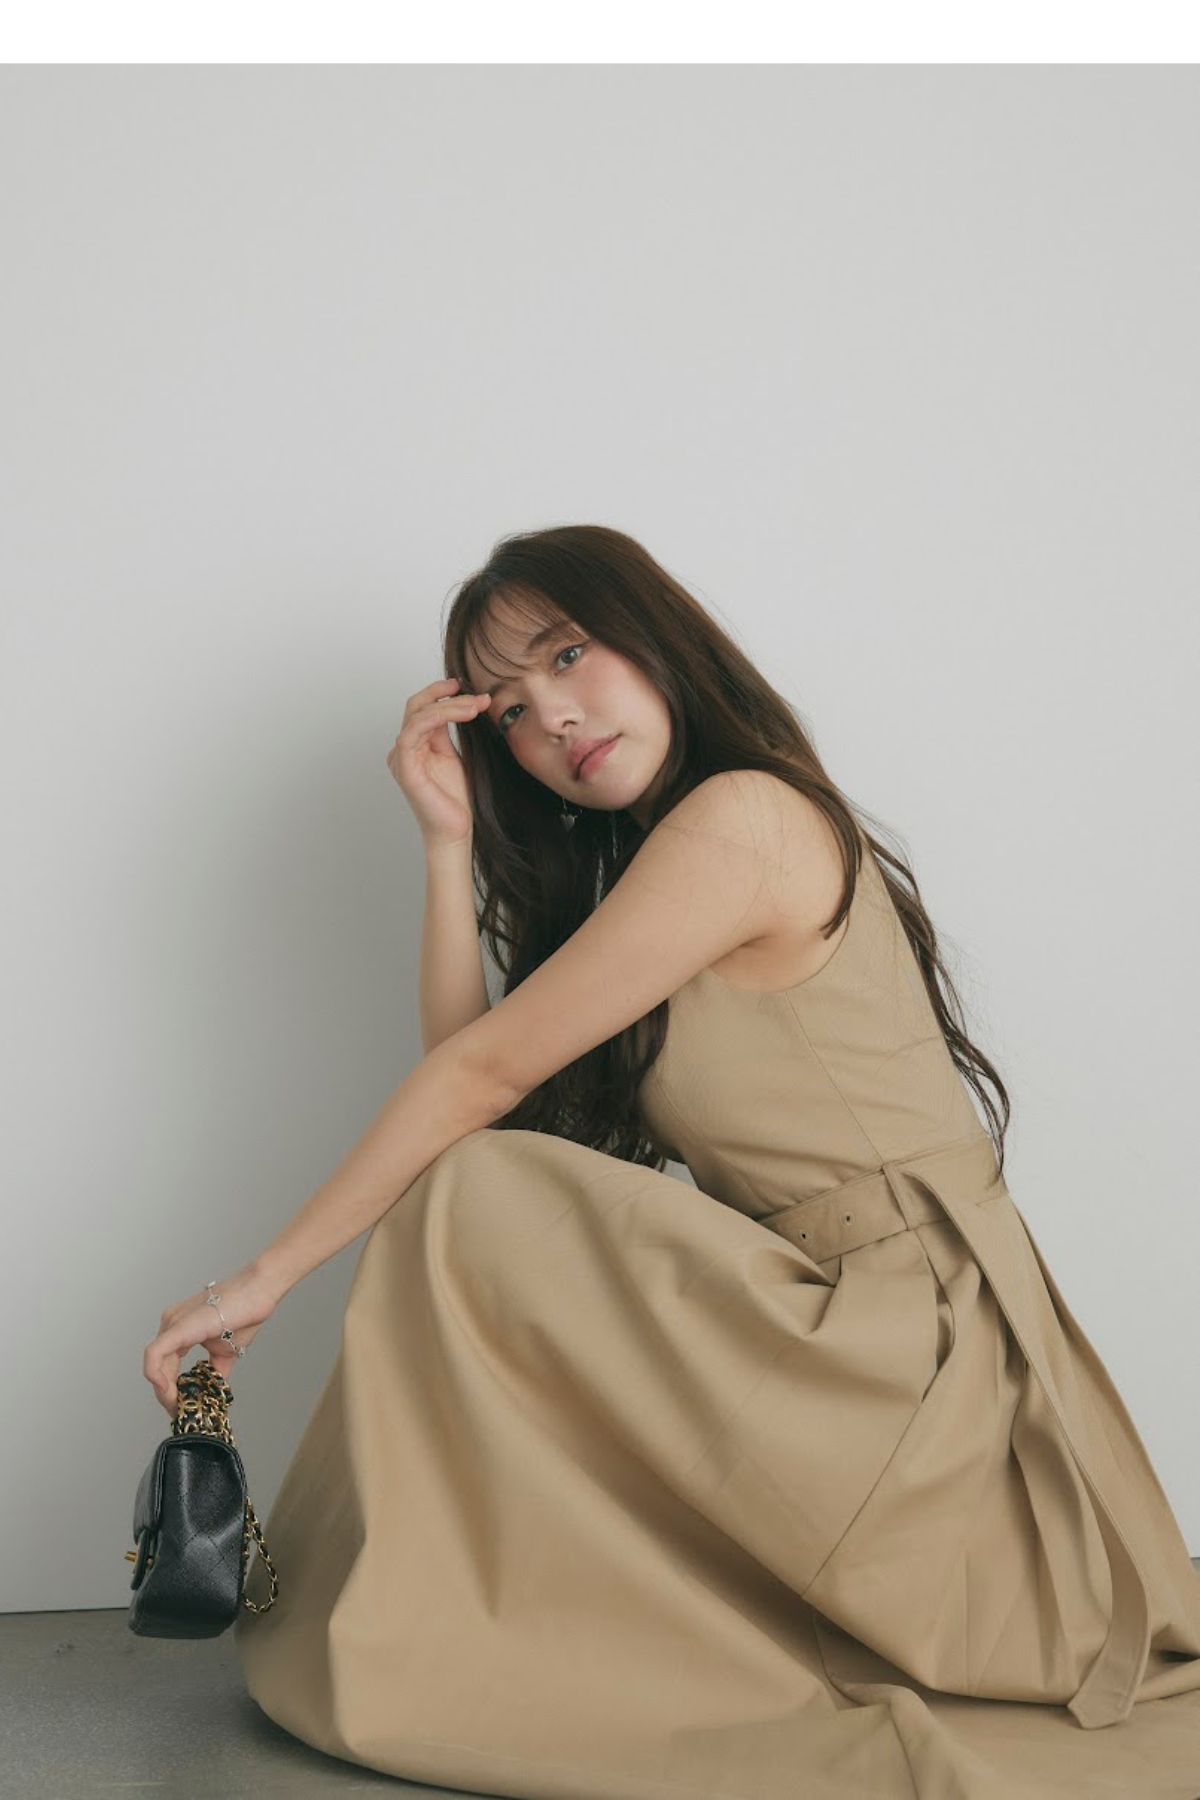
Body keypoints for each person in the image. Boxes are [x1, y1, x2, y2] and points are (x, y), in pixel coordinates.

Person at [144, 524, 1200, 1798]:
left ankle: (460, 1622)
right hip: (832, 1333)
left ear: (658, 635)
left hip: (919, 1367)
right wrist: (444, 846)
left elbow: (477, 1087)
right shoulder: (656, 868)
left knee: (475, 1194)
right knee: (475, 1194)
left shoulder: (745, 820)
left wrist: (260, 1281)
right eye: (511, 711)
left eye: (568, 655)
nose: (553, 718)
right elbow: (478, 1102)